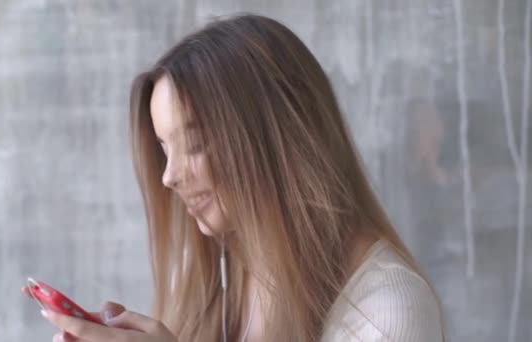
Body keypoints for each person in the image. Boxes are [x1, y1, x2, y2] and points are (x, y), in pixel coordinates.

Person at [24, 14, 444, 342]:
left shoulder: (389, 309)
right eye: (164, 149)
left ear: (280, 138)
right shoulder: (223, 278)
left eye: (196, 143)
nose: (168, 177)